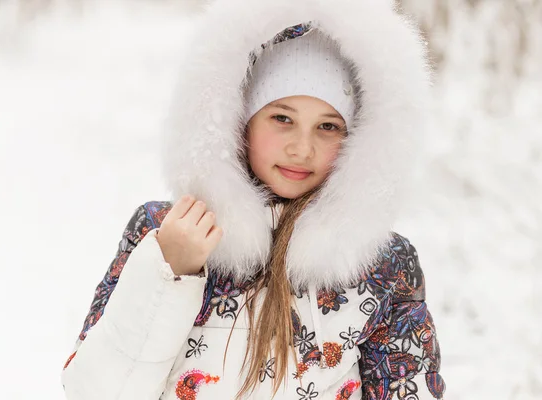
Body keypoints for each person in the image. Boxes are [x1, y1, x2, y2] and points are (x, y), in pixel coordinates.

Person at [61, 0, 446, 399]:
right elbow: (95, 391)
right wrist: (169, 273)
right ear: (240, 119)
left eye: (328, 126)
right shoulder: (166, 232)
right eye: (282, 118)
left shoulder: (381, 266)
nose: (302, 147)